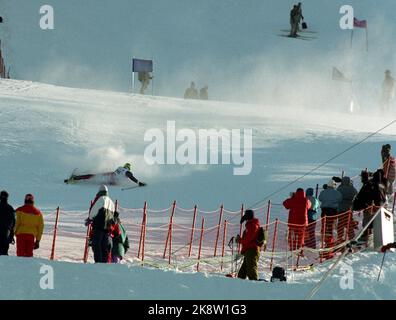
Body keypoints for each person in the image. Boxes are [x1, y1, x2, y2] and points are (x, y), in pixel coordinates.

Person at [353, 169, 387, 243]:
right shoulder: (382, 184)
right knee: (376, 220)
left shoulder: (372, 184)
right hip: (381, 205)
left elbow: (368, 195)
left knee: (367, 219)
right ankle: (373, 233)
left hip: (371, 205)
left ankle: (366, 234)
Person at [87, 185, 115, 263]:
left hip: (98, 226)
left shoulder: (101, 199)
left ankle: (98, 262)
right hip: (108, 228)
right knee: (105, 246)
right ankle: (104, 263)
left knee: (96, 245)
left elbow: (93, 211)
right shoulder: (111, 202)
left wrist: (90, 218)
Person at [236, 210, 261, 281]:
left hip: (252, 250)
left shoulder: (253, 226)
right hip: (248, 251)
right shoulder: (250, 225)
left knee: (251, 270)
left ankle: (255, 286)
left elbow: (247, 239)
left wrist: (239, 240)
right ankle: (238, 285)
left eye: (246, 218)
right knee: (242, 273)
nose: (245, 220)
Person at [318, 179, 342, 249]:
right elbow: (340, 199)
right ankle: (329, 239)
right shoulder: (337, 193)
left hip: (324, 210)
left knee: (324, 224)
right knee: (330, 225)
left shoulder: (323, 192)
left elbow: (320, 198)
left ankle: (324, 238)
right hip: (333, 211)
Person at [336, 176, 358, 242]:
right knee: (348, 222)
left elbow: (337, 197)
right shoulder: (352, 188)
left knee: (340, 223)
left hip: (340, 207)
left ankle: (340, 237)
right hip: (349, 207)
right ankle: (351, 236)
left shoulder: (340, 188)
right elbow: (356, 194)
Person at [0, 191, 15, 255]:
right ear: (7, 197)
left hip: (5, 232)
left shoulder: (11, 208)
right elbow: (13, 222)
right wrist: (11, 235)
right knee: (4, 253)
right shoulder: (10, 208)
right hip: (6, 233)